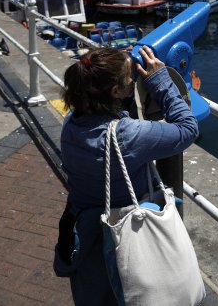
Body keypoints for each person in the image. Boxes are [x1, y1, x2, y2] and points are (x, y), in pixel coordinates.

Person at [56, 47, 199, 304]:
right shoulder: (127, 136)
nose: (133, 80)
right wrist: (160, 81)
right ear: (115, 91)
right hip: (127, 241)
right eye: (128, 79)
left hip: (86, 239)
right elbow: (188, 129)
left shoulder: (71, 122)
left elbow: (116, 121)